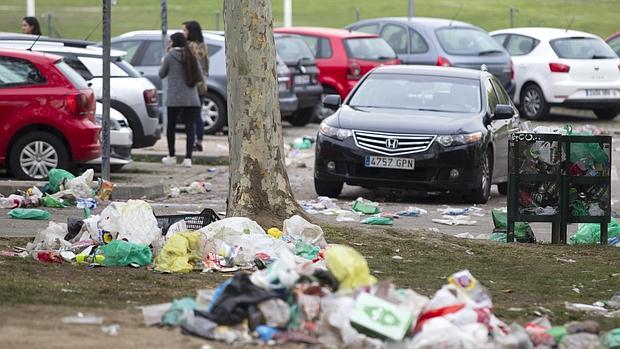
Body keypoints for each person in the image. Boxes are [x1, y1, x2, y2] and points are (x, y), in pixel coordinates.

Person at [159, 32, 203, 168]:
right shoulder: (191, 55)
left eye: (170, 41)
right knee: (190, 127)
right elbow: (200, 75)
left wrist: (163, 61)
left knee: (171, 127)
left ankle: (172, 156)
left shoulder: (169, 56)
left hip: (174, 98)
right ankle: (188, 158)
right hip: (191, 97)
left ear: (174, 42)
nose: (168, 44)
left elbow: (162, 74)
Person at [182, 20, 209, 152]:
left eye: (185, 30)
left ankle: (192, 142)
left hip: (192, 85)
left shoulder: (188, 46)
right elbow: (206, 66)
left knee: (191, 116)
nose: (183, 33)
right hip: (202, 84)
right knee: (198, 114)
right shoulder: (203, 45)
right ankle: (199, 141)